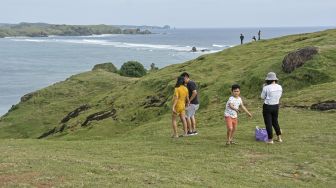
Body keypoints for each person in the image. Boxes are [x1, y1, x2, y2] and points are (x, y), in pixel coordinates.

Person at [261, 72, 283, 144]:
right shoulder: (280, 87)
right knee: (275, 121)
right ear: (275, 79)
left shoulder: (266, 87)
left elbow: (262, 97)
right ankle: (279, 138)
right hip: (276, 105)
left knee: (268, 123)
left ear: (268, 80)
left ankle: (270, 140)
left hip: (267, 106)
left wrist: (263, 88)